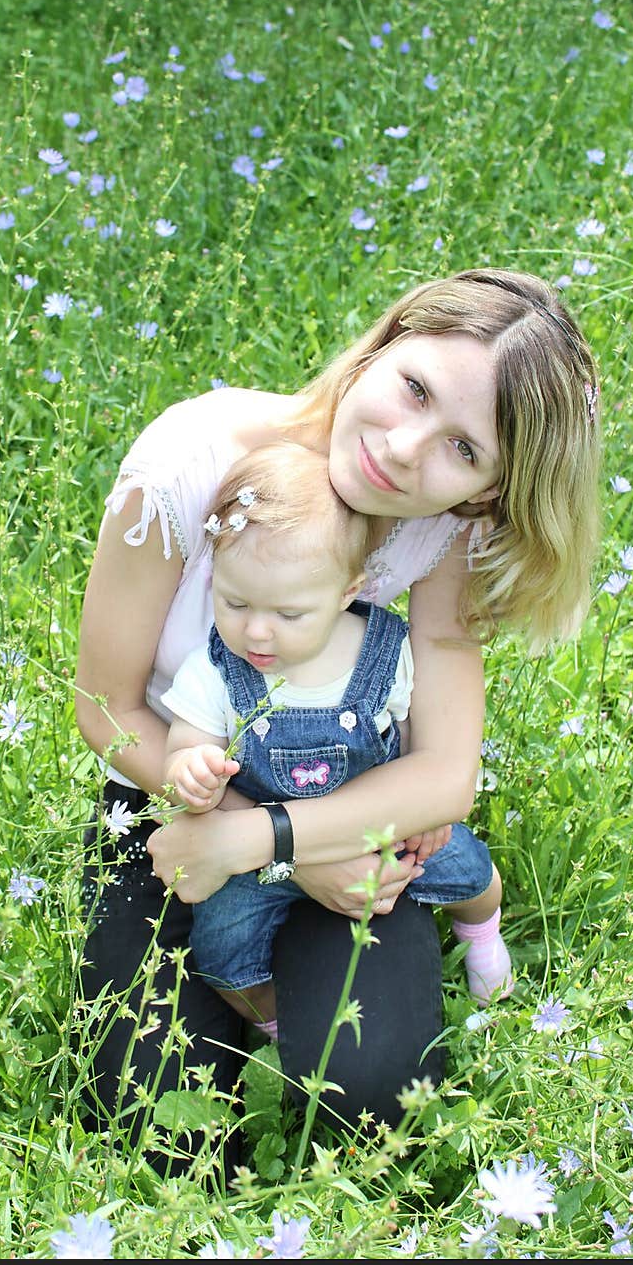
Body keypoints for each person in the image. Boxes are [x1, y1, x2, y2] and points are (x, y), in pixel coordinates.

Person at [75, 268, 600, 1143]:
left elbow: (442, 774)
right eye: (415, 389)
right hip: (177, 791)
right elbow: (107, 707)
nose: (403, 449)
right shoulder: (190, 462)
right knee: (154, 1113)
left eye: (463, 448)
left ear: (485, 492)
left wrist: (276, 843)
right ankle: (240, 1003)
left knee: (377, 1102)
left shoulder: (448, 530)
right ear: (385, 343)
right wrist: (246, 831)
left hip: (355, 811)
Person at [161, 440, 512, 1042]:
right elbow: (180, 749)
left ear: (349, 591)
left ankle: (482, 936)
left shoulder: (381, 653)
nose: (256, 629)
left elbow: (411, 741)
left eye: (290, 614)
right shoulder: (214, 670)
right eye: (234, 602)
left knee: (470, 869)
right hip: (258, 855)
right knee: (218, 946)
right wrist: (189, 769)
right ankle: (271, 1020)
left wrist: (423, 813)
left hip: (381, 834)